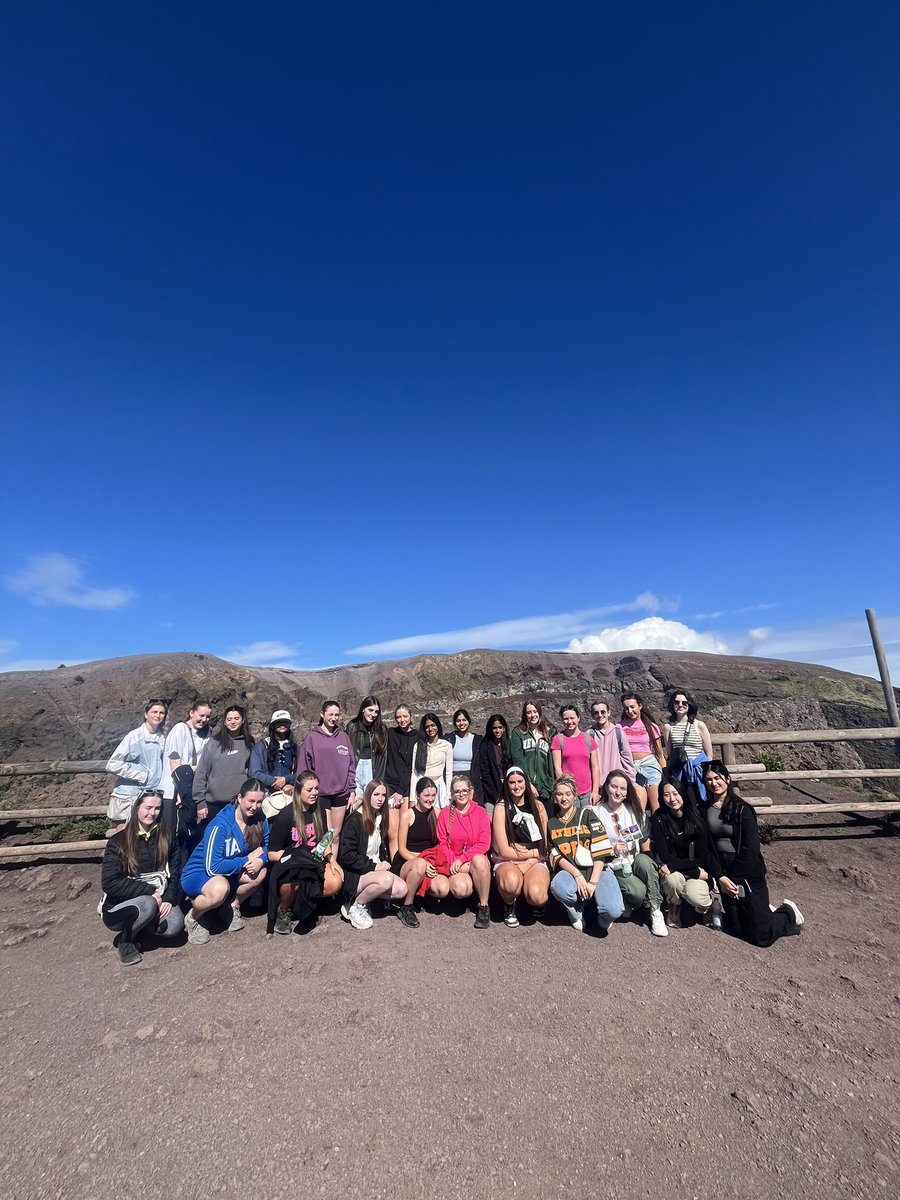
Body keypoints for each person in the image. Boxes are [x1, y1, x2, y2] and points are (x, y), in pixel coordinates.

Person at [702, 761, 804, 947]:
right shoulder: (705, 809)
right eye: (709, 779)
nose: (714, 783)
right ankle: (765, 914)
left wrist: (731, 878)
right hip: (724, 870)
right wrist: (721, 877)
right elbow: (708, 848)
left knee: (760, 937)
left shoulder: (743, 809)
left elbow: (751, 849)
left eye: (718, 778)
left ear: (727, 778)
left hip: (747, 873)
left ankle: (788, 912)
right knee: (737, 931)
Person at [99, 789, 185, 965]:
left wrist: (169, 898)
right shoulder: (118, 842)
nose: (152, 813)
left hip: (159, 898)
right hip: (120, 906)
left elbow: (175, 871)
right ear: (137, 808)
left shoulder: (167, 837)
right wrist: (151, 892)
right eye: (148, 807)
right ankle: (126, 941)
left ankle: (143, 928)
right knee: (147, 903)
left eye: (157, 808)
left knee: (175, 925)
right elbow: (109, 883)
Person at [180, 778, 270, 945]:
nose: (254, 806)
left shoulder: (259, 818)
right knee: (220, 889)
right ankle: (193, 918)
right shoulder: (220, 825)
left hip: (229, 870)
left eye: (259, 802)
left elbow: (267, 845)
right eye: (251, 801)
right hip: (200, 873)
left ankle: (231, 907)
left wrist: (261, 859)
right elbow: (213, 866)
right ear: (239, 798)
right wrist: (246, 859)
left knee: (260, 871)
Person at [266, 771, 344, 935]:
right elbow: (272, 854)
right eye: (309, 789)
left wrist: (332, 861)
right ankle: (284, 909)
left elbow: (324, 841)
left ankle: (307, 902)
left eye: (316, 788)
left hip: (313, 863)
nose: (314, 793)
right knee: (289, 883)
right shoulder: (286, 815)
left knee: (336, 880)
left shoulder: (320, 809)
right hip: (291, 865)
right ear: (298, 790)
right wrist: (298, 855)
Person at [546, 773, 623, 933]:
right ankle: (576, 909)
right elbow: (556, 856)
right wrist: (577, 875)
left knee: (613, 910)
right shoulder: (552, 823)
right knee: (558, 887)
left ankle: (602, 913)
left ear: (575, 796)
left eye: (568, 794)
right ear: (554, 797)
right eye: (559, 794)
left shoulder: (587, 814)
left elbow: (601, 851)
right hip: (571, 872)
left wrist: (593, 883)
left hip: (597, 869)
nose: (563, 798)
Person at [594, 770, 668, 937]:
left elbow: (644, 841)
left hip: (632, 861)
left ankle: (656, 910)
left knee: (645, 862)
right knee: (638, 892)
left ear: (628, 792)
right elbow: (592, 846)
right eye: (614, 787)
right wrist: (611, 849)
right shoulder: (597, 812)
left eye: (623, 788)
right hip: (611, 865)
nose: (618, 792)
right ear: (606, 787)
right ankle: (625, 900)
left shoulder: (635, 812)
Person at [337, 779, 408, 930]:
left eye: (383, 795)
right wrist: (375, 866)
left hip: (371, 870)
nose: (380, 799)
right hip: (354, 874)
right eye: (376, 794)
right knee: (386, 880)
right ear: (368, 795)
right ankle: (356, 906)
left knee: (402, 889)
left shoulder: (379, 817)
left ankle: (364, 899)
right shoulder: (355, 819)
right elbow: (347, 856)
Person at [650, 777, 716, 927]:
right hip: (684, 870)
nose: (672, 799)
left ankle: (707, 908)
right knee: (672, 880)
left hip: (693, 866)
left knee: (696, 896)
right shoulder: (658, 818)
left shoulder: (696, 816)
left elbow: (700, 857)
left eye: (675, 793)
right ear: (661, 797)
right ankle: (674, 905)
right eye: (666, 795)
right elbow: (665, 855)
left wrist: (692, 872)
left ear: (682, 793)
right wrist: (694, 872)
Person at [491, 765, 550, 927]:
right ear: (506, 785)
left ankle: (539, 902)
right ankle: (509, 904)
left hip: (535, 859)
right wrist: (531, 853)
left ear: (526, 782)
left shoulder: (538, 807)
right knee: (511, 883)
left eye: (520, 781)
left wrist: (530, 861)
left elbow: (544, 846)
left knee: (537, 895)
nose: (516, 786)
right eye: (512, 782)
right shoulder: (501, 808)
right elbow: (504, 849)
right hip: (507, 859)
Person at [435, 773, 492, 929]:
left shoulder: (480, 813)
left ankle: (484, 906)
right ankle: (464, 898)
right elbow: (442, 843)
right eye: (457, 791)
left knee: (480, 860)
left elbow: (484, 843)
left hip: (472, 862)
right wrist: (455, 860)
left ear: (471, 792)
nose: (461, 794)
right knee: (461, 889)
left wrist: (463, 859)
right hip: (454, 863)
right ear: (452, 794)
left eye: (464, 791)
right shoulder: (445, 814)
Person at [393, 778, 450, 928]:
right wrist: (422, 861)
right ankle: (407, 906)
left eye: (433, 795)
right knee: (419, 865)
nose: (430, 799)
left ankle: (419, 896)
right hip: (408, 861)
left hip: (428, 861)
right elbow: (402, 849)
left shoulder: (437, 813)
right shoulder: (408, 815)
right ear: (417, 795)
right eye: (426, 796)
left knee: (443, 889)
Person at [104, 699, 168, 832]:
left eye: (161, 712)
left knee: (143, 840)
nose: (158, 715)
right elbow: (112, 764)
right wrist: (141, 776)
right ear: (146, 714)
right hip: (129, 796)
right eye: (154, 712)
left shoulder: (162, 738)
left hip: (150, 796)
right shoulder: (134, 737)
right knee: (125, 838)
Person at [300, 701, 356, 851]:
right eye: (330, 714)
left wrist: (352, 790)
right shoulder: (312, 738)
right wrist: (303, 791)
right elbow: (304, 767)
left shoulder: (343, 737)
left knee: (335, 835)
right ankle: (321, 869)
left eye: (336, 715)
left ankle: (333, 870)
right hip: (320, 794)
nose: (334, 718)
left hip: (341, 793)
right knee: (324, 835)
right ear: (322, 715)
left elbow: (351, 765)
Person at [193, 705, 254, 825]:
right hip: (213, 805)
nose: (233, 722)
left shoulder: (249, 743)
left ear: (243, 720)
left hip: (238, 804)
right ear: (225, 722)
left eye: (236, 718)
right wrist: (200, 802)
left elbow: (252, 773)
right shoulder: (214, 742)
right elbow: (202, 772)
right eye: (229, 719)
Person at [160, 699, 213, 832]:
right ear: (191, 713)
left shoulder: (207, 734)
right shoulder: (180, 729)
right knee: (173, 832)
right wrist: (180, 792)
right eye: (201, 715)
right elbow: (175, 763)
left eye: (207, 716)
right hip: (175, 790)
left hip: (192, 789)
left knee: (189, 830)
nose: (204, 719)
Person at [663, 690, 714, 805]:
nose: (680, 705)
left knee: (702, 803)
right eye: (676, 702)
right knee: (686, 803)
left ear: (689, 705)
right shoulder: (668, 727)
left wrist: (708, 772)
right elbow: (671, 753)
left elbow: (709, 754)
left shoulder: (699, 725)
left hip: (699, 770)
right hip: (680, 772)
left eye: (684, 703)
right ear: (672, 705)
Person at [619, 693, 665, 814]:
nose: (629, 710)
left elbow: (660, 754)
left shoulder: (651, 726)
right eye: (626, 708)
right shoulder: (619, 727)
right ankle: (643, 831)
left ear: (640, 706)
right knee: (638, 808)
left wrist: (666, 773)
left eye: (632, 707)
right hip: (631, 768)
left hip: (650, 765)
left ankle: (660, 831)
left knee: (657, 806)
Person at [250, 710, 299, 818]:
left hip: (289, 797)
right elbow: (255, 773)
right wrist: (277, 782)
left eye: (285, 722)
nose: (282, 725)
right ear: (272, 725)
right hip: (266, 799)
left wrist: (286, 780)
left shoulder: (294, 748)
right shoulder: (261, 747)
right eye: (279, 722)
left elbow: (301, 773)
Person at [384, 704, 417, 857]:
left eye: (405, 716)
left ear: (411, 716)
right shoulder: (390, 733)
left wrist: (400, 792)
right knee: (392, 831)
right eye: (398, 717)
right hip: (390, 786)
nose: (401, 720)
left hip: (406, 789)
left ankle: (402, 865)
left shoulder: (418, 736)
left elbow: (411, 765)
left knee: (403, 831)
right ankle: (394, 865)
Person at [551, 705, 600, 804]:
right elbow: (557, 768)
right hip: (569, 793)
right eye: (566, 719)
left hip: (587, 792)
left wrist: (595, 791)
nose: (569, 722)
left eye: (572, 718)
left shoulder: (588, 740)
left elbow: (595, 767)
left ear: (578, 718)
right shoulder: (558, 739)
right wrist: (565, 789)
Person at [510, 701, 556, 804]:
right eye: (529, 712)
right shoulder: (518, 733)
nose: (532, 715)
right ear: (525, 715)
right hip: (526, 788)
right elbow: (518, 761)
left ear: (539, 712)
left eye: (535, 711)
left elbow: (552, 762)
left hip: (546, 789)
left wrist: (548, 788)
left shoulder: (550, 732)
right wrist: (528, 784)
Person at [346, 696, 388, 800]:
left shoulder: (381, 729)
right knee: (356, 805)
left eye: (376, 712)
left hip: (372, 768)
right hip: (356, 767)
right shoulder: (352, 726)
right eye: (370, 710)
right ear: (363, 709)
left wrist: (379, 779)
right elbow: (348, 752)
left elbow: (383, 756)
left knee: (370, 803)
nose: (373, 714)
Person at [588, 698, 636, 788]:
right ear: (592, 715)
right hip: (597, 785)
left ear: (609, 712)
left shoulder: (619, 733)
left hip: (616, 783)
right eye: (596, 713)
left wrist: (631, 783)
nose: (600, 715)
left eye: (603, 712)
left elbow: (627, 759)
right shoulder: (589, 734)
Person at [409, 713, 453, 809]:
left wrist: (448, 794)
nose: (430, 729)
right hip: (422, 786)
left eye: (433, 725)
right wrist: (412, 798)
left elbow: (449, 773)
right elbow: (414, 773)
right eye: (427, 727)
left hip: (440, 786)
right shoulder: (418, 746)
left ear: (437, 726)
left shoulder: (446, 745)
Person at [477, 714, 512, 817]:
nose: (497, 731)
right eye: (494, 728)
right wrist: (496, 795)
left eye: (500, 727)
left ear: (504, 728)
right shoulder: (485, 745)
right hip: (491, 789)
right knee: (491, 820)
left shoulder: (509, 744)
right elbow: (485, 772)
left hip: (508, 787)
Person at [445, 709, 484, 801]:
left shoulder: (477, 740)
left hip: (471, 778)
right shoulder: (449, 739)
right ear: (455, 723)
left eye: (464, 720)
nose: (461, 723)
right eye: (458, 721)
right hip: (453, 778)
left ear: (468, 721)